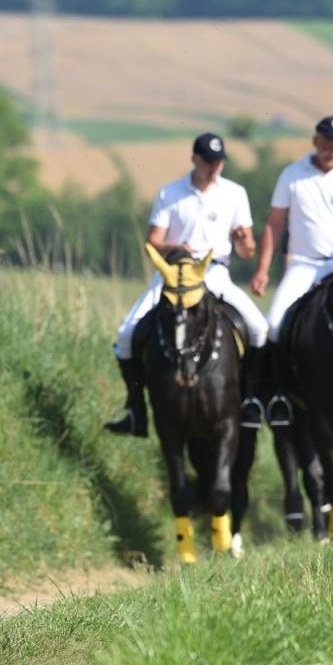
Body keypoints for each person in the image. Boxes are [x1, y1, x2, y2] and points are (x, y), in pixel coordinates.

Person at [103, 132, 266, 437]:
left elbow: (247, 250)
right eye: (208, 161)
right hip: (175, 274)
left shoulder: (235, 194)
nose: (214, 167)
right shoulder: (171, 193)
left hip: (215, 272)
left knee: (258, 328)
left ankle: (252, 400)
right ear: (194, 159)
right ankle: (135, 408)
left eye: (218, 162)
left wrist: (247, 243)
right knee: (127, 333)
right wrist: (177, 247)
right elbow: (153, 241)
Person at [250, 114, 333, 425]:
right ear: (315, 141)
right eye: (327, 142)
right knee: (274, 324)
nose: (332, 149)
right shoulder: (292, 175)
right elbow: (274, 224)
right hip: (303, 265)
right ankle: (275, 394)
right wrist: (263, 268)